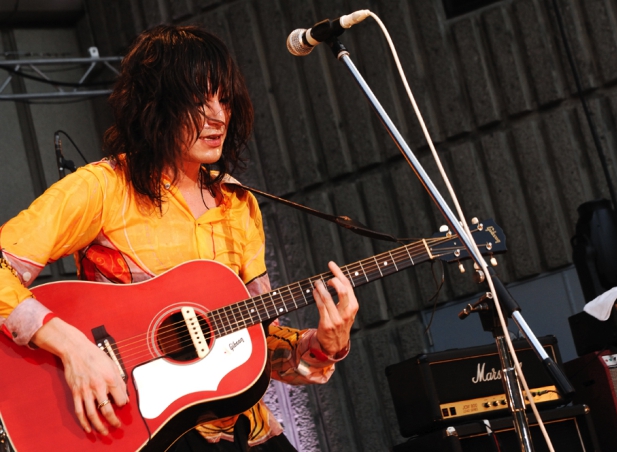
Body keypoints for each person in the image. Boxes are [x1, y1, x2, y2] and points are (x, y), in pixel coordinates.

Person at [0, 25, 358, 451]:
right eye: (199, 102)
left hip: (244, 431)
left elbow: (257, 343)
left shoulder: (238, 205)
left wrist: (321, 346)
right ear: (155, 105)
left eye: (225, 99)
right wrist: (72, 346)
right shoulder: (103, 188)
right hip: (142, 428)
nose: (218, 116)